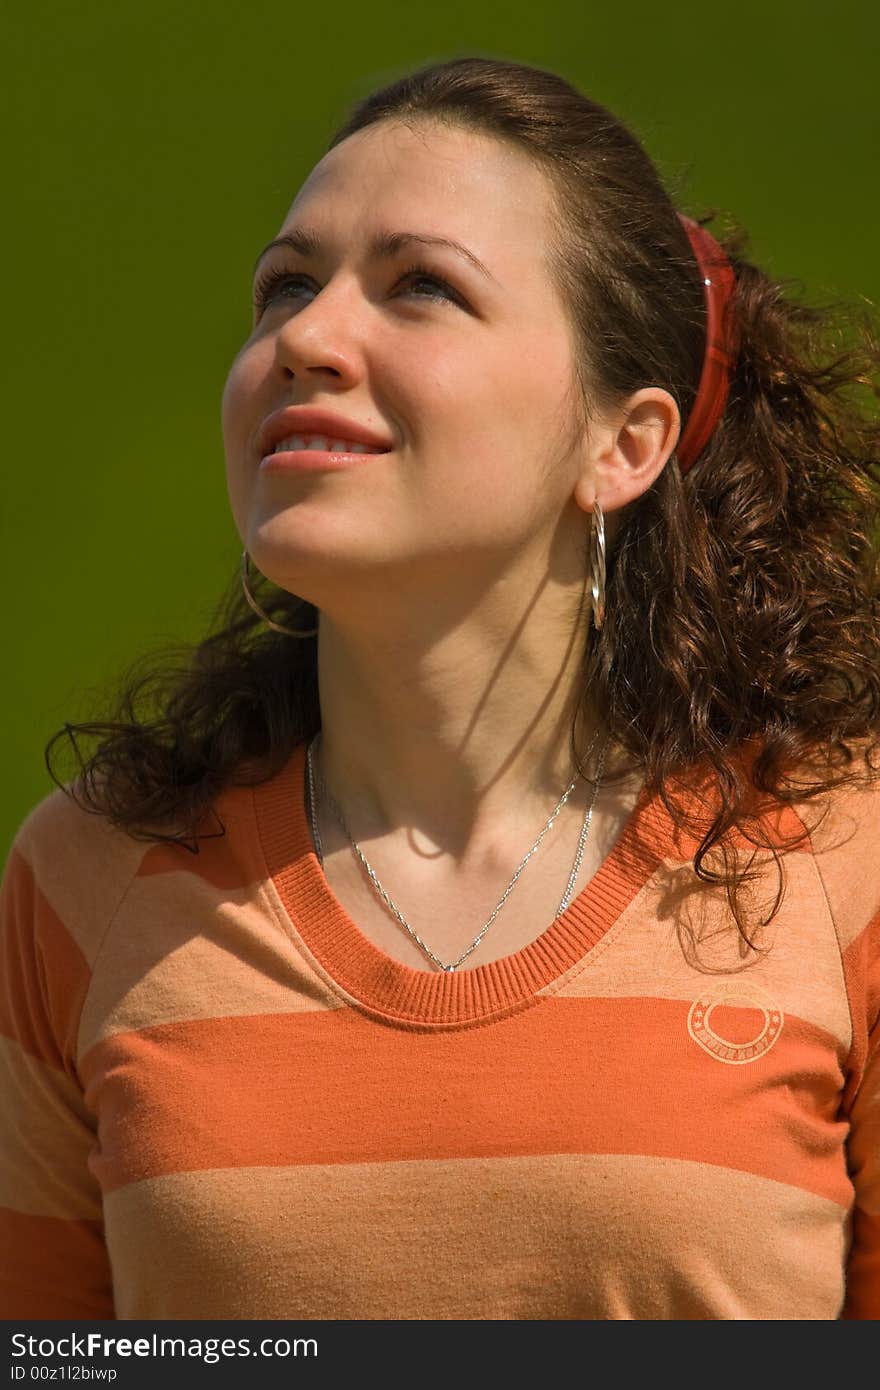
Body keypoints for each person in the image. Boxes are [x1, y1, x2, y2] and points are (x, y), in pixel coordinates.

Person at [2, 55, 879, 1323]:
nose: (303, 337)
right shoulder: (85, 877)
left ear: (619, 444)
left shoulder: (846, 860)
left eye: (422, 288)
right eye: (284, 287)